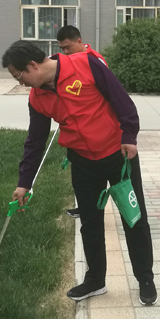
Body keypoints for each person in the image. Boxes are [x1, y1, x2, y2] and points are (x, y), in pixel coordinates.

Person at [3, 40, 157, 305]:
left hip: (119, 156)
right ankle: (95, 280)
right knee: (90, 223)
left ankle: (145, 278)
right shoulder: (37, 98)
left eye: (19, 76)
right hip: (83, 162)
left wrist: (129, 136)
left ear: (32, 65)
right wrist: (24, 182)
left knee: (134, 219)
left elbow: (123, 102)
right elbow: (35, 141)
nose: (21, 83)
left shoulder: (86, 65)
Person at [56, 25, 106, 218]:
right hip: (77, 132)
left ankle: (94, 210)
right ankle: (85, 207)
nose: (65, 52)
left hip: (98, 131)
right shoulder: (67, 63)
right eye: (62, 49)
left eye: (68, 47)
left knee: (97, 178)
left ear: (79, 41)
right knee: (81, 176)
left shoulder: (95, 61)